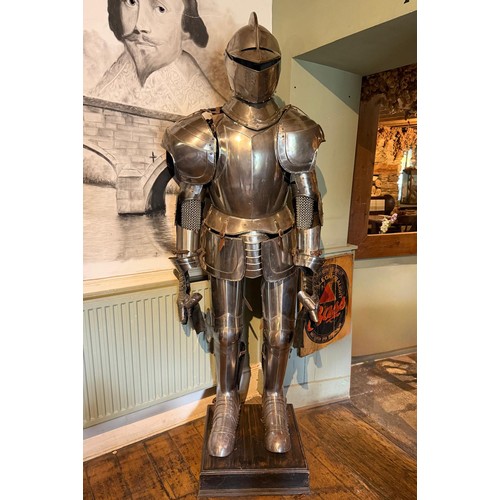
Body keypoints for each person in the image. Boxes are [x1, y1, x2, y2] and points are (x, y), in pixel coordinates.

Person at [163, 13, 325, 457]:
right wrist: (187, 261)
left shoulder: (293, 126)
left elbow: (306, 196)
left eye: (264, 64)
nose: (256, 73)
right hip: (224, 239)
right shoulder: (207, 130)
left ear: (276, 66)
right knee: (226, 331)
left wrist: (310, 252)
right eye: (248, 64)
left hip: (279, 239)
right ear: (231, 64)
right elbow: (191, 199)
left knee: (279, 332)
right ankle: (227, 401)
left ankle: (273, 398)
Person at [90, 0, 225, 115]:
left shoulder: (205, 106)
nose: (139, 25)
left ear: (185, 26)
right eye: (131, 2)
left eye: (160, 9)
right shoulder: (118, 71)